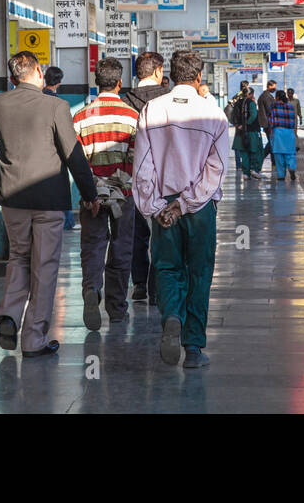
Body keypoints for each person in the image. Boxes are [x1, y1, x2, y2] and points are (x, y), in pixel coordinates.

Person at [0, 51, 98, 358]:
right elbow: (72, 154)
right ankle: (34, 339)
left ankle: (9, 313)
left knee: (19, 255)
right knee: (44, 265)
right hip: (48, 196)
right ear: (38, 71)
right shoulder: (56, 106)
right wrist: (90, 194)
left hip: (10, 193)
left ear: (13, 78)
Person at [131, 50, 231, 368]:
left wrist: (157, 206)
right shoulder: (214, 115)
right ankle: (194, 349)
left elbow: (143, 167)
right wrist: (186, 203)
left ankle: (172, 316)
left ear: (170, 76)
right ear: (199, 77)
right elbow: (216, 170)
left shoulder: (152, 109)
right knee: (199, 273)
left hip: (163, 207)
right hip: (199, 210)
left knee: (167, 268)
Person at [72, 57, 141, 330]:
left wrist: (92, 192)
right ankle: (116, 308)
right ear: (120, 83)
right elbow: (137, 159)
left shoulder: (80, 118)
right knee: (122, 248)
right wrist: (121, 185)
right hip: (124, 194)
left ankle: (91, 288)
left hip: (92, 197)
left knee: (93, 246)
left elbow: (77, 162)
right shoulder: (133, 117)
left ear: (96, 82)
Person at [120, 51, 171, 306]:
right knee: (161, 231)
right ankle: (156, 287)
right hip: (164, 178)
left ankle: (139, 282)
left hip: (131, 177)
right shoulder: (168, 99)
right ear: (159, 71)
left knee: (137, 232)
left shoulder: (125, 101)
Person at [42, 65, 80, 231]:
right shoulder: (59, 103)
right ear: (59, 82)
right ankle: (67, 221)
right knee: (62, 188)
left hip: (42, 152)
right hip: (57, 153)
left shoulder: (38, 98)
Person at [231, 86, 265, 180]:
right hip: (252, 131)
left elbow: (232, 116)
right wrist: (247, 124)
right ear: (250, 94)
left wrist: (239, 125)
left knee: (244, 153)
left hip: (239, 133)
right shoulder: (251, 103)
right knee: (257, 151)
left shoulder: (237, 102)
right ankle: (254, 170)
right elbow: (253, 115)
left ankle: (246, 173)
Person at [269, 89, 298, 183]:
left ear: (277, 97)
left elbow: (271, 120)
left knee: (278, 154)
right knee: (290, 153)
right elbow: (293, 119)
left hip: (278, 132)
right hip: (289, 132)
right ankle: (292, 167)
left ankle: (281, 175)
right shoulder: (290, 106)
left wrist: (271, 130)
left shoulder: (274, 106)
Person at [256, 80, 276, 162]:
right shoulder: (266, 97)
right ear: (269, 86)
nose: (275, 89)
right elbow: (270, 109)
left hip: (266, 122)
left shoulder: (264, 96)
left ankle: (272, 160)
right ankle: (261, 158)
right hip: (268, 122)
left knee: (271, 142)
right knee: (272, 142)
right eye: (274, 87)